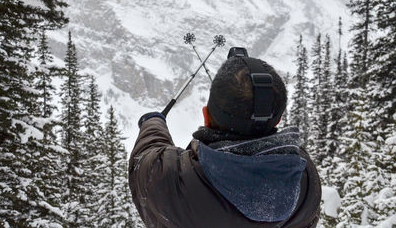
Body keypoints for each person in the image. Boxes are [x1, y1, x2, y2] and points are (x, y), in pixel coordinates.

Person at [128, 51, 321, 228]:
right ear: (278, 119)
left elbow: (147, 155)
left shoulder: (170, 181)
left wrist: (152, 121)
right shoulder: (305, 183)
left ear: (206, 117)